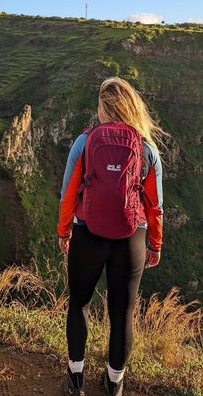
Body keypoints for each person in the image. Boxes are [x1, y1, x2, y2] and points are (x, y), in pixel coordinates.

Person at [57, 77, 169, 396]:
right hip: (132, 237)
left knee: (79, 304)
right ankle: (114, 383)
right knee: (122, 313)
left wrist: (64, 231)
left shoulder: (85, 142)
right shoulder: (147, 149)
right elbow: (155, 206)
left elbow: (67, 194)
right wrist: (155, 244)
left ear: (102, 107)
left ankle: (75, 379)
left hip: (87, 233)